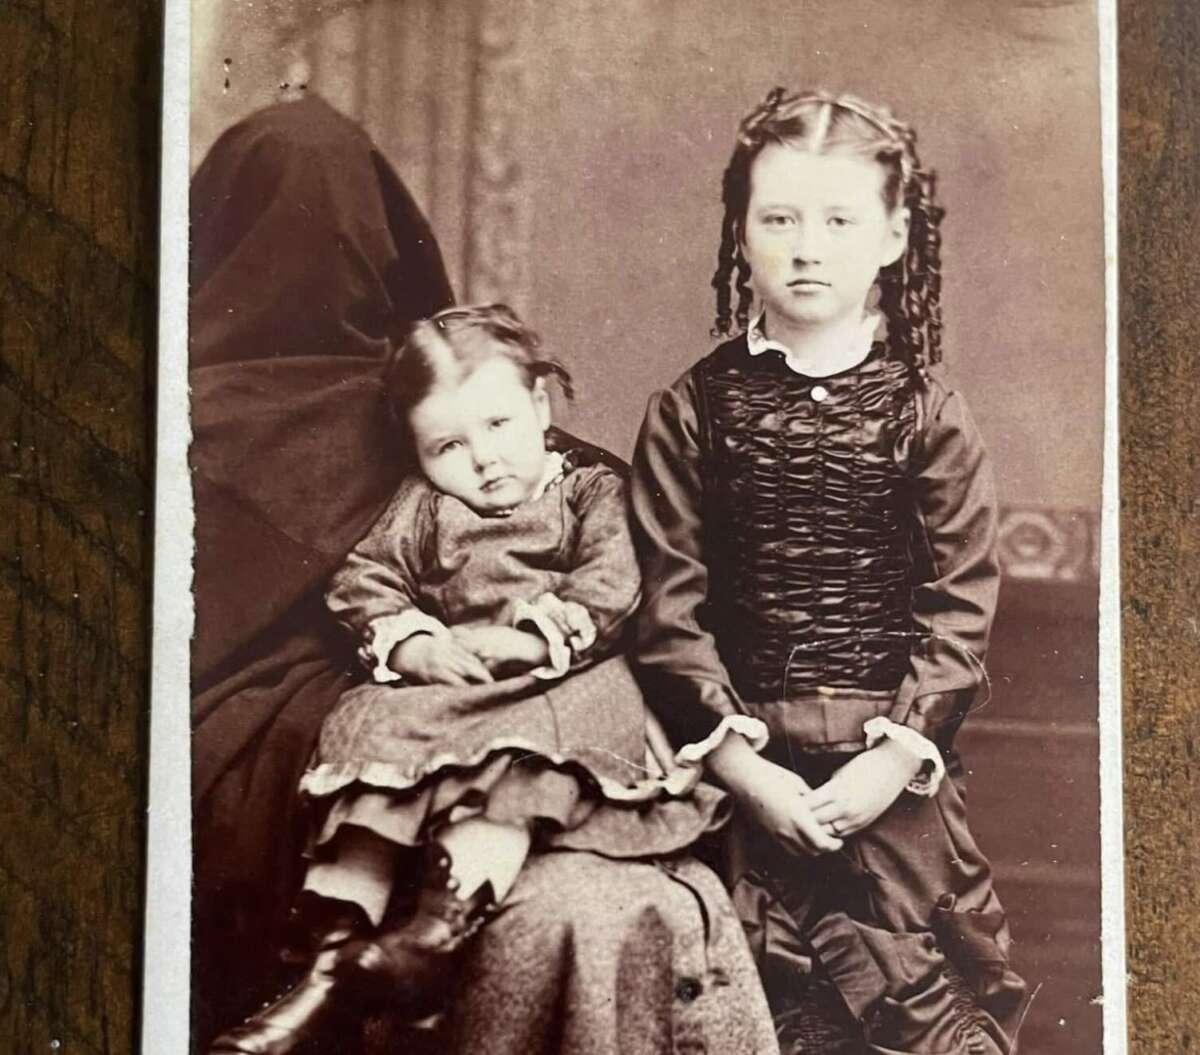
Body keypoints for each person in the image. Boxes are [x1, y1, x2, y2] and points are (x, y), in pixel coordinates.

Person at [211, 303, 731, 1053]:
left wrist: (528, 637)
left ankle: (438, 931)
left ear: (539, 407)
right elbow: (366, 578)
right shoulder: (422, 508)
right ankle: (329, 969)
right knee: (369, 717)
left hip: (558, 680)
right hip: (456, 687)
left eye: (498, 425)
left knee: (531, 748)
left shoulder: (588, 493)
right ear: (417, 449)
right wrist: (417, 643)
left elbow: (613, 583)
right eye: (448, 445)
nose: (483, 459)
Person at [630, 89, 1029, 1055]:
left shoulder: (930, 413)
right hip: (741, 768)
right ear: (742, 230)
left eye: (838, 221)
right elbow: (666, 604)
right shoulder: (690, 411)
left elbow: (959, 605)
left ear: (892, 237)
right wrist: (742, 770)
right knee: (747, 1003)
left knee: (916, 1004)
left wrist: (892, 760)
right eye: (779, 219)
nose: (807, 248)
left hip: (888, 773)